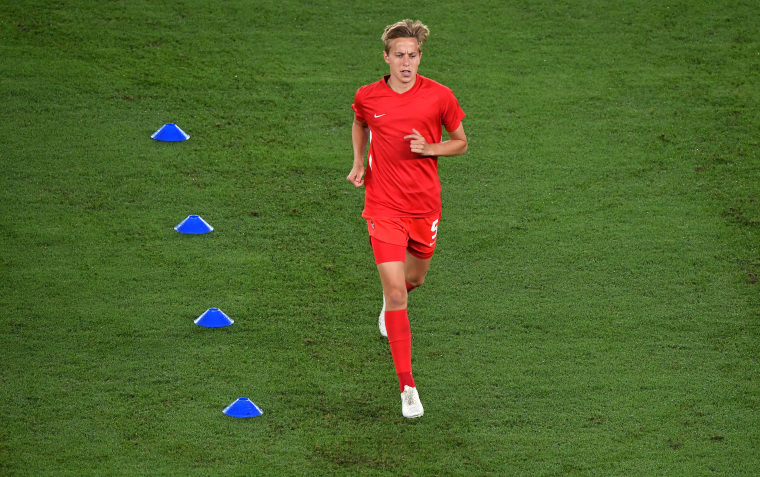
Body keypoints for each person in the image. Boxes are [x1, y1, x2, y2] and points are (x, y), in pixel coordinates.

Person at [347, 19, 468, 419]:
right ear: (386, 57)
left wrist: (429, 148)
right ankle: (408, 388)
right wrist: (358, 163)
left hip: (424, 207)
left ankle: (390, 302)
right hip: (382, 205)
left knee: (413, 280)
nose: (405, 62)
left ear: (420, 56)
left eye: (412, 55)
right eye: (398, 55)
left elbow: (461, 143)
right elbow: (360, 122)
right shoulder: (368, 96)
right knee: (399, 294)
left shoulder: (439, 97)